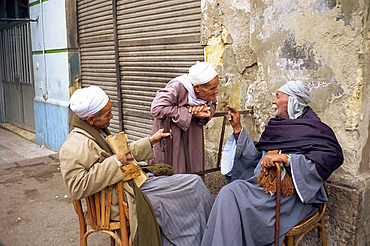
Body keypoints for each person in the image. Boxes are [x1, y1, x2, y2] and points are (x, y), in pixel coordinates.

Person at [59, 86, 214, 246]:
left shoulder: (97, 130)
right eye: (107, 114)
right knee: (178, 203)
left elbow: (122, 154)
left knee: (194, 183)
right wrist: (115, 162)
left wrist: (151, 141)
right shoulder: (73, 147)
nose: (112, 116)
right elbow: (77, 187)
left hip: (132, 183)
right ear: (91, 119)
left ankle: (214, 233)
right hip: (116, 200)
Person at [201, 81, 343, 246]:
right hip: (263, 188)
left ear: (291, 101)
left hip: (292, 198)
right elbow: (257, 158)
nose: (273, 101)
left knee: (231, 195)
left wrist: (286, 159)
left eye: (277, 97)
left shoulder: (316, 129)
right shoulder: (277, 126)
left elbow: (331, 157)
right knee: (229, 193)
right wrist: (238, 129)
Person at [149, 61, 219, 174]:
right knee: (174, 171)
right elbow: (156, 108)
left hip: (193, 137)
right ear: (196, 87)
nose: (216, 91)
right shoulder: (177, 87)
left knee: (194, 169)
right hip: (171, 138)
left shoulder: (207, 92)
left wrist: (205, 111)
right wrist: (188, 111)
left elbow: (212, 105)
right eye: (212, 88)